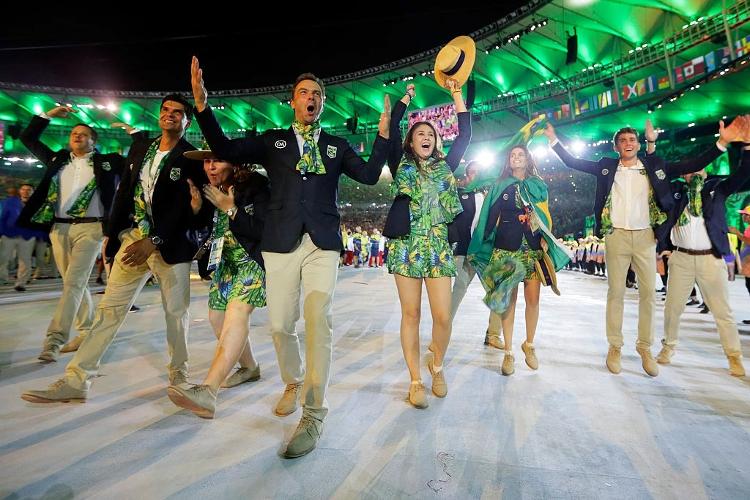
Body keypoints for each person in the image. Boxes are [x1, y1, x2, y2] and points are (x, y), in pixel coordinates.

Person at [191, 56, 391, 458]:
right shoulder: (272, 141)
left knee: (318, 318)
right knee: (282, 325)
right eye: (304, 93)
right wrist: (202, 107)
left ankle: (314, 412)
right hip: (280, 242)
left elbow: (369, 176)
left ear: (323, 102)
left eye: (317, 93)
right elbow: (226, 147)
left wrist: (385, 135)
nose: (311, 98)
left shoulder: (336, 146)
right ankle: (293, 380)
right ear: (292, 101)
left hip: (322, 243)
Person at [21, 94, 211, 403]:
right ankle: (77, 379)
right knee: (108, 313)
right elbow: (125, 192)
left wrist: (156, 240)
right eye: (166, 110)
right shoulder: (141, 148)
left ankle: (180, 377)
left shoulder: (192, 157)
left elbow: (189, 208)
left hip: (169, 247)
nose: (170, 115)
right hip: (133, 240)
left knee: (176, 314)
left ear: (187, 121)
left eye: (178, 112)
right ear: (159, 115)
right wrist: (114, 234)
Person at [545, 117, 744, 376]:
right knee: (615, 293)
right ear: (616, 147)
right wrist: (553, 140)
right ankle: (615, 347)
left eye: (631, 140)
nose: (627, 143)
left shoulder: (654, 166)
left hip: (645, 237)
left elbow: (693, 163)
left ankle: (645, 347)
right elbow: (573, 161)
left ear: (638, 145)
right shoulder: (606, 166)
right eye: (622, 141)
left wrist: (722, 143)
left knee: (648, 294)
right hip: (616, 236)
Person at [17, 107, 141, 360]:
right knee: (73, 284)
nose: (77, 136)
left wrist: (134, 132)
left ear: (93, 141)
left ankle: (53, 341)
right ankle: (86, 331)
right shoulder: (57, 160)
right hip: (59, 228)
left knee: (74, 283)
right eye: (74, 133)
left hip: (91, 228)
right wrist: (48, 115)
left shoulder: (108, 162)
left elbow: (138, 159)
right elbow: (28, 138)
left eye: (84, 134)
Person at [386, 71, 471, 408]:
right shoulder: (400, 163)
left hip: (436, 246)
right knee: (411, 315)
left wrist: (456, 95)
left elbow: (465, 136)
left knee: (443, 317)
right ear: (411, 141)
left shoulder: (446, 166)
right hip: (406, 245)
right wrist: (405, 100)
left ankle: (436, 365)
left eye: (430, 133)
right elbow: (391, 132)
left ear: (437, 141)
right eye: (419, 133)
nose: (425, 136)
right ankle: (415, 380)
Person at [167, 149, 270, 418]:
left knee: (237, 317)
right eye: (207, 162)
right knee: (217, 319)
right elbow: (203, 229)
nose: (210, 167)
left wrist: (231, 208)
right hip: (225, 264)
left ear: (233, 162)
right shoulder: (210, 188)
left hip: (252, 261)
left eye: (217, 161)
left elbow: (263, 228)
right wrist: (197, 208)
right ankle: (249, 367)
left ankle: (208, 391)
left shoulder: (256, 184)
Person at [656, 119, 750, 376]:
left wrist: (747, 145)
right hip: (681, 259)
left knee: (723, 312)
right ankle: (668, 348)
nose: (692, 173)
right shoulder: (676, 193)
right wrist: (664, 246)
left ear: (706, 171)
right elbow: (659, 185)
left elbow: (743, 174)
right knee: (672, 308)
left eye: (698, 169)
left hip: (710, 260)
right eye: (689, 169)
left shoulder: (717, 189)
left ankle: (734, 356)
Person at [468, 145, 570, 375]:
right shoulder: (500, 185)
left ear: (527, 159)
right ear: (508, 161)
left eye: (520, 155)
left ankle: (529, 345)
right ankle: (508, 353)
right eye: (512, 155)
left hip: (532, 248)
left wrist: (546, 238)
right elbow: (489, 217)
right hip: (506, 249)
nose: (516, 158)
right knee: (508, 302)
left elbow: (544, 214)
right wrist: (481, 243)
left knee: (533, 299)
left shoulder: (537, 185)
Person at [447, 161, 503, 349]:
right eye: (473, 172)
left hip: (486, 252)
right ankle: (442, 330)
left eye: (480, 172)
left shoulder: (493, 197)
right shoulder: (459, 194)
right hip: (464, 250)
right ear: (467, 176)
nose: (477, 175)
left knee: (497, 292)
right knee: (458, 290)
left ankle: (494, 334)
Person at [0, 183, 37, 291]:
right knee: (3, 258)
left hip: (27, 236)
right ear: (19, 191)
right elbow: (2, 218)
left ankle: (21, 283)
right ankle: (2, 278)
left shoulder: (37, 204)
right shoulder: (10, 202)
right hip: (9, 234)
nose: (26, 191)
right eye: (23, 189)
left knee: (25, 260)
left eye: (29, 190)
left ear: (33, 192)